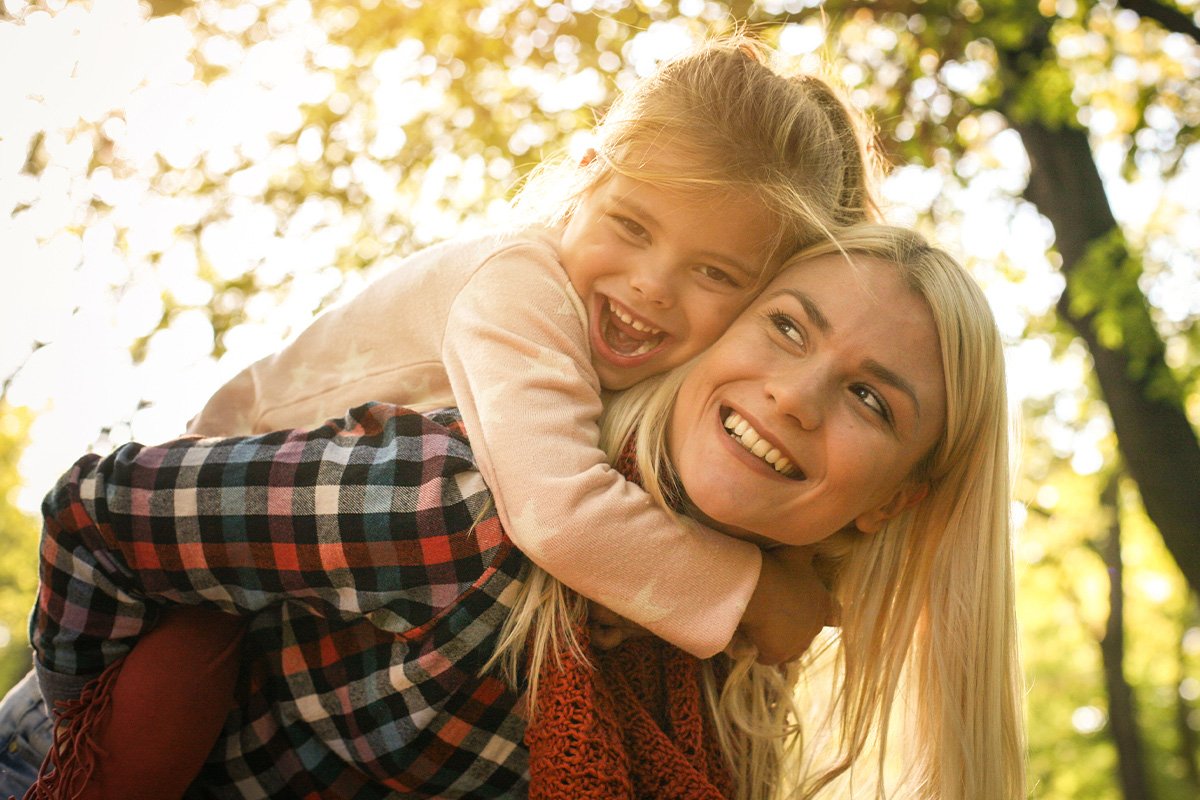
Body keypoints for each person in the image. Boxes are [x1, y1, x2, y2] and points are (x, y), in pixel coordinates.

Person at [24, 225, 1025, 799]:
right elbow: (95, 510)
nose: (798, 394)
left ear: (895, 497)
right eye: (787, 325)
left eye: (871, 398)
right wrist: (94, 750)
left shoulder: (738, 687)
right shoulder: (469, 507)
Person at [178, 34, 878, 665]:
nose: (652, 285)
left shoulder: (658, 361)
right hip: (206, 516)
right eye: (632, 225)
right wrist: (757, 594)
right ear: (584, 176)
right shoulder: (516, 284)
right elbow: (561, 511)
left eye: (715, 273)